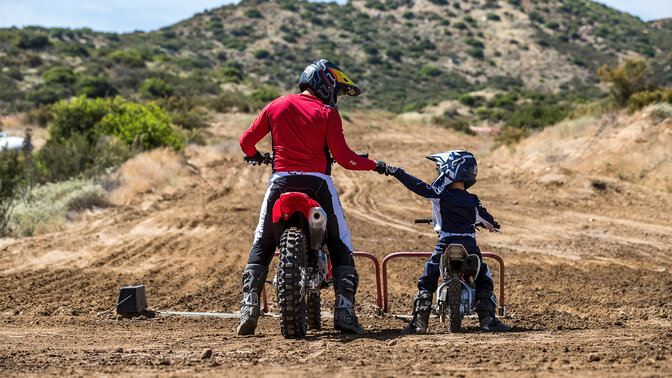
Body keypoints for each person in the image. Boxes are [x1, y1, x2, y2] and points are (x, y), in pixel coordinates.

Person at [237, 59, 389, 335]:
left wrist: (255, 156)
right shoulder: (328, 113)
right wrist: (375, 164)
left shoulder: (276, 105)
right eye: (338, 91)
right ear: (327, 83)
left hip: (280, 182)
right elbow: (344, 158)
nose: (338, 97)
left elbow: (246, 142)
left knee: (263, 239)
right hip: (318, 184)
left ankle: (249, 307)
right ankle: (344, 312)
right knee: (340, 241)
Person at [381, 150, 511, 332]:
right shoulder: (473, 199)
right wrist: (493, 226)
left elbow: (417, 185)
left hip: (445, 243)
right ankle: (488, 319)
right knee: (484, 278)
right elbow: (487, 220)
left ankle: (420, 322)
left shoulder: (440, 194)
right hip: (469, 245)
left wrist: (397, 172)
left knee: (428, 278)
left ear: (449, 170)